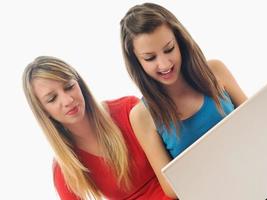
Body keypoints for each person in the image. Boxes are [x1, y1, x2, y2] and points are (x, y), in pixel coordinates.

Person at [120, 2, 247, 198]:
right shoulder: (142, 115)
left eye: (169, 49)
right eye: (150, 58)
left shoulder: (215, 70)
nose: (164, 64)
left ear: (180, 41)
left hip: (252, 170)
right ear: (137, 62)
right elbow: (171, 189)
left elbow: (255, 121)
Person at [22, 56, 174, 200]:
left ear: (79, 84)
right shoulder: (64, 170)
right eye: (52, 99)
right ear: (43, 112)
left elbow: (179, 157)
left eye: (69, 87)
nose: (68, 100)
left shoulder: (129, 110)